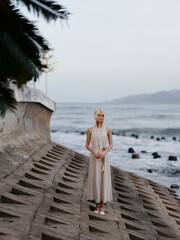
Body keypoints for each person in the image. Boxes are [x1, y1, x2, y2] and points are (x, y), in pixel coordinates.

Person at [85, 108, 113, 215]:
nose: (101, 117)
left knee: (103, 180)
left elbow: (111, 144)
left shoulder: (108, 129)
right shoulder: (90, 130)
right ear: (95, 116)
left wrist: (104, 153)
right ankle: (96, 204)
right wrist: (93, 152)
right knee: (95, 179)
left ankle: (102, 206)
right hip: (94, 157)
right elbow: (87, 144)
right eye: (99, 115)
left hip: (103, 157)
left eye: (103, 115)